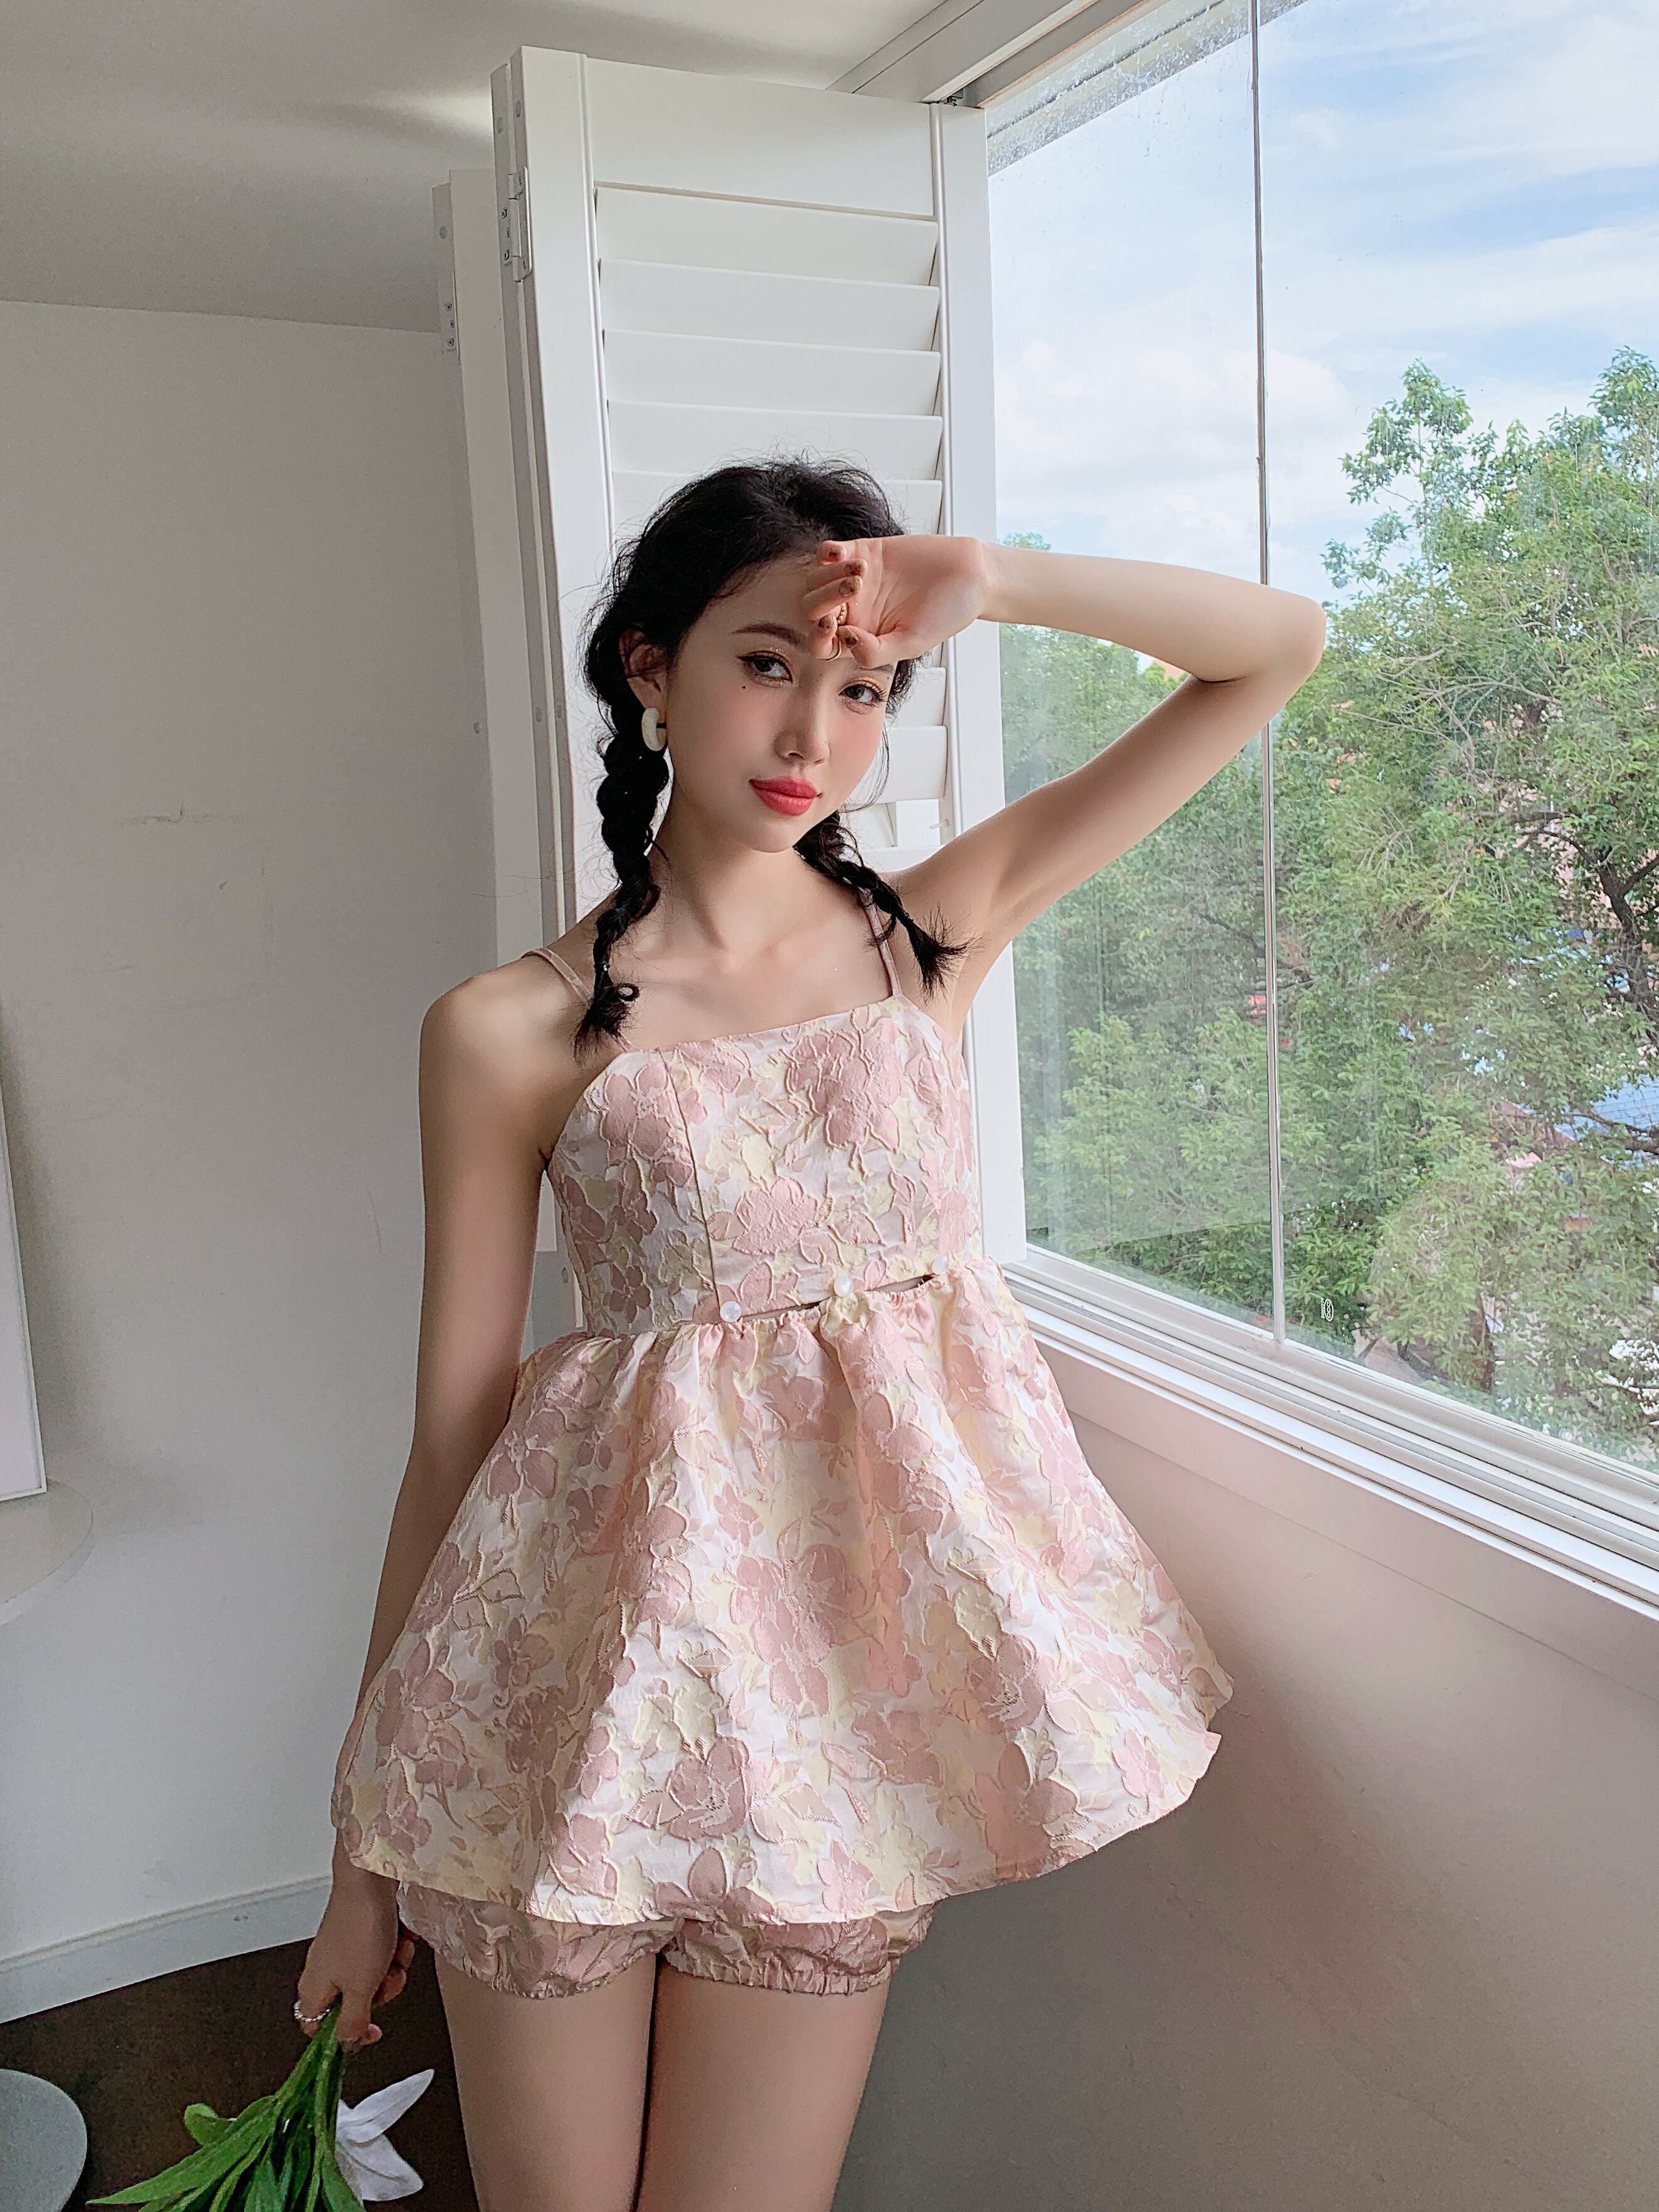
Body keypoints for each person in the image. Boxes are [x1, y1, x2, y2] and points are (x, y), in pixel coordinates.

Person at [297, 458, 1325, 2211]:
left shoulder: (927, 936)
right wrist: (358, 1857)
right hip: (565, 1701)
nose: (814, 733)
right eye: (767, 663)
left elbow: (1276, 650)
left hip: (830, 1734)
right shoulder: (506, 1030)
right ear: (650, 668)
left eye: (864, 688)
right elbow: (454, 1441)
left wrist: (985, 576)